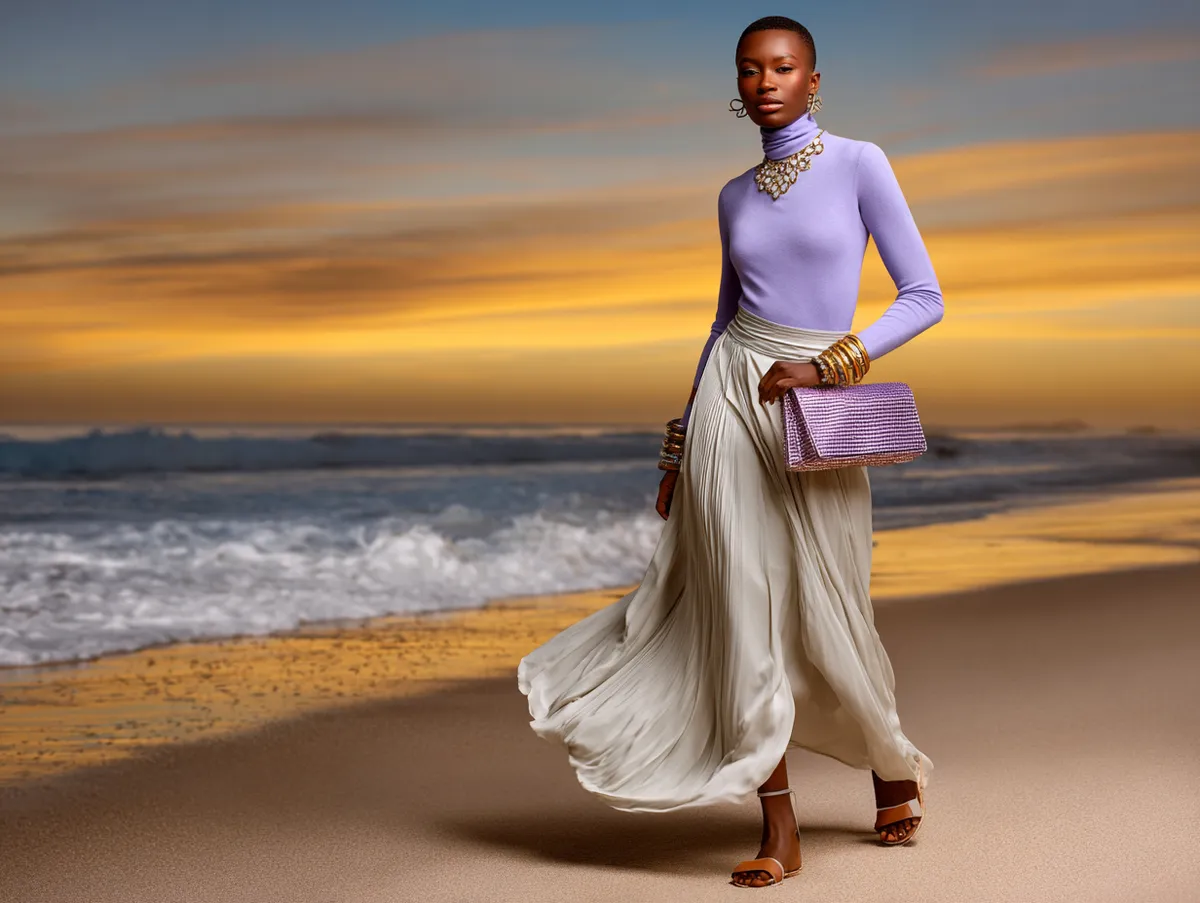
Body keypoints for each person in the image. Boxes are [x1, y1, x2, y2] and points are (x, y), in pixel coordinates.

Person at [517, 15, 943, 889]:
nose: (766, 82)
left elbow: (924, 296)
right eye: (750, 70)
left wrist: (830, 363)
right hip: (728, 405)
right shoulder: (732, 196)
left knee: (833, 605)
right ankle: (777, 820)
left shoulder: (860, 163)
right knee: (741, 607)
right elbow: (721, 324)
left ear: (814, 80)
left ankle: (890, 764)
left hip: (814, 408)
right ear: (737, 85)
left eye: (783, 68)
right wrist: (677, 451)